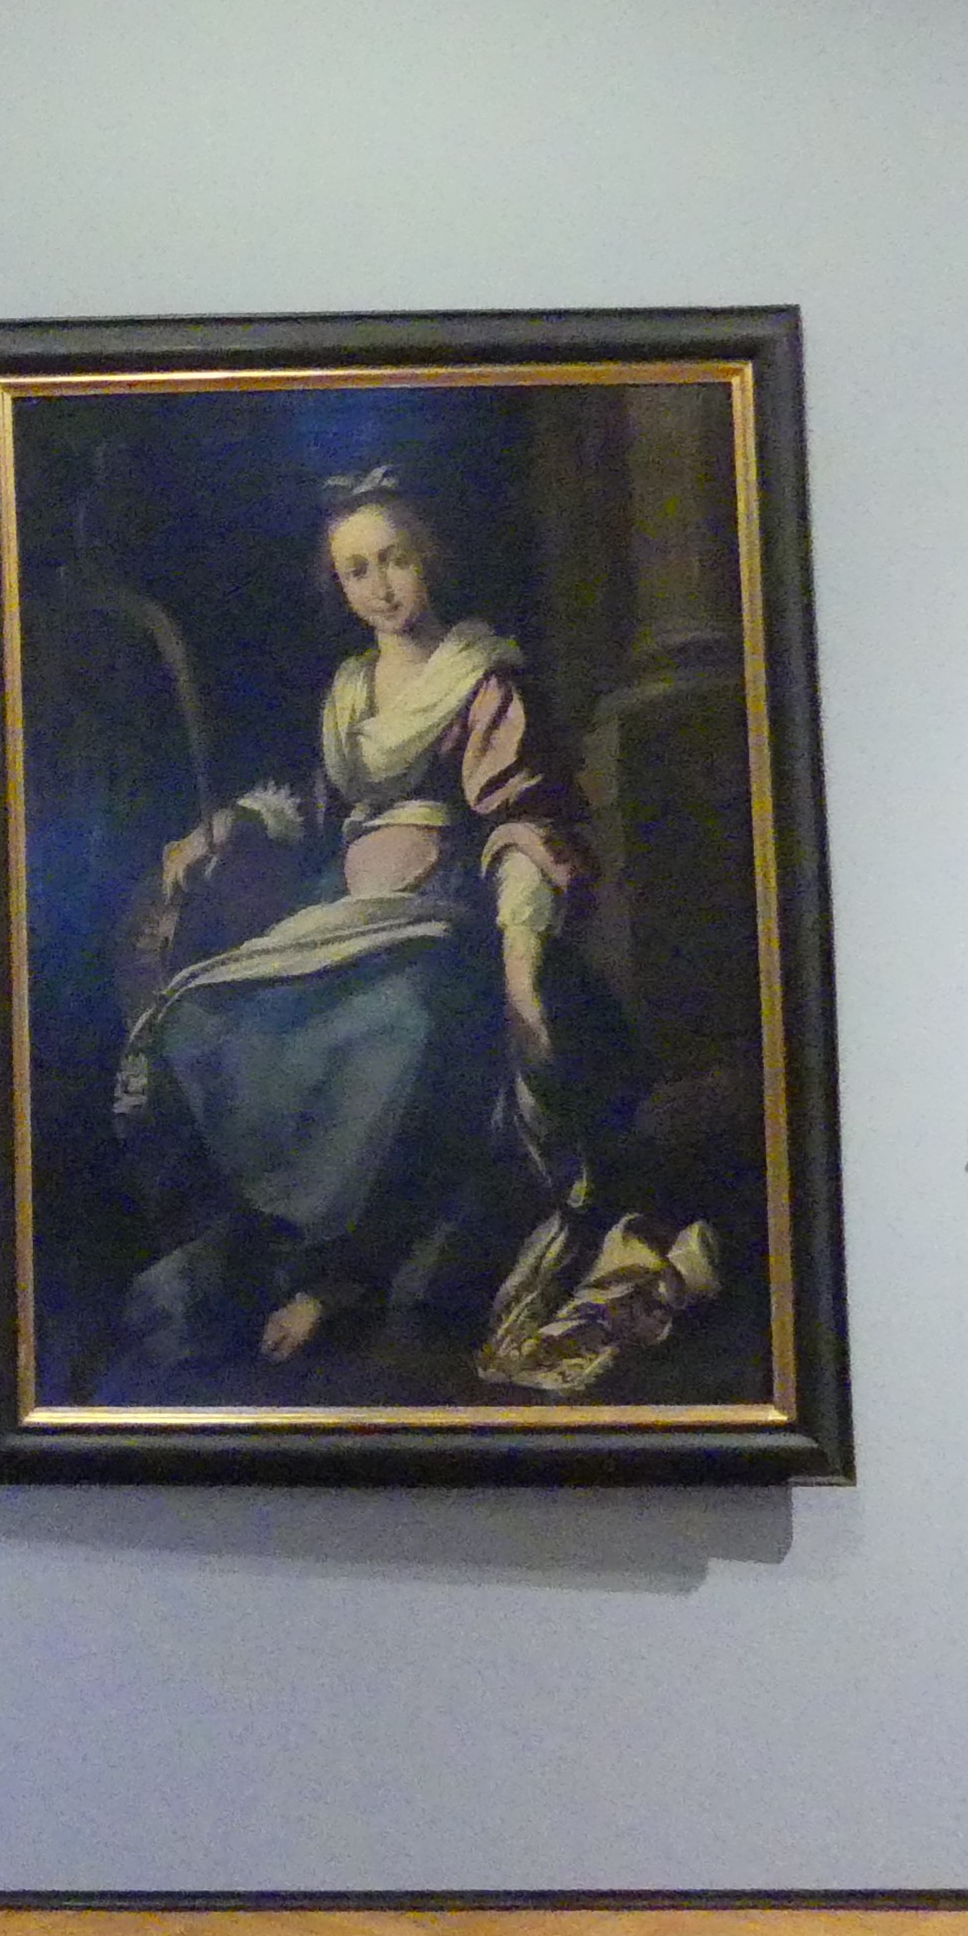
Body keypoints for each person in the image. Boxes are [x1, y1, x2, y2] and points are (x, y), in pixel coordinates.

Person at [104, 469, 631, 1376]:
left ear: (430, 560)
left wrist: (518, 961)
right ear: (338, 585)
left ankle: (341, 1278)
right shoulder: (350, 690)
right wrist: (229, 824)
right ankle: (256, 1246)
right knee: (207, 1020)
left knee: (398, 1028)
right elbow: (319, 808)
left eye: (395, 560)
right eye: (357, 571)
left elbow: (524, 823)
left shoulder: (481, 678)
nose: (381, 587)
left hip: (440, 922)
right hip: (340, 917)